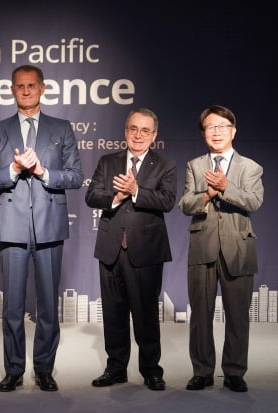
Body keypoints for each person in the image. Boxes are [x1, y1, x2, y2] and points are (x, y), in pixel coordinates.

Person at [0, 65, 83, 392]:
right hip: (12, 227)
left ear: (42, 88)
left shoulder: (62, 128)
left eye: (31, 86)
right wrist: (12, 168)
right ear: (12, 90)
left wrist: (43, 171)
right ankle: (13, 369)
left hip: (50, 227)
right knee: (12, 306)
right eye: (19, 86)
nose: (25, 91)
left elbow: (75, 176)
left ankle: (44, 369)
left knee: (47, 306)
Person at [85, 108, 176, 391]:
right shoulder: (108, 161)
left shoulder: (165, 165)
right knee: (113, 313)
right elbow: (91, 196)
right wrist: (117, 196)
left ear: (154, 135)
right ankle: (116, 369)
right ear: (125, 131)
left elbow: (167, 201)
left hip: (146, 251)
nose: (138, 135)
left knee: (145, 313)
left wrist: (136, 190)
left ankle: (151, 370)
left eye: (145, 130)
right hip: (110, 248)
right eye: (133, 129)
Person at [179, 105, 263, 393]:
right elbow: (185, 205)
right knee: (200, 315)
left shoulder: (250, 167)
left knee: (238, 315)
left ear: (233, 131)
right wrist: (208, 193)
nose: (216, 132)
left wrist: (226, 187)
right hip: (202, 247)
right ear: (203, 133)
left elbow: (254, 202)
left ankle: (235, 372)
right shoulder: (194, 165)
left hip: (238, 248)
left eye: (222, 126)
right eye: (210, 127)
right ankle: (202, 371)